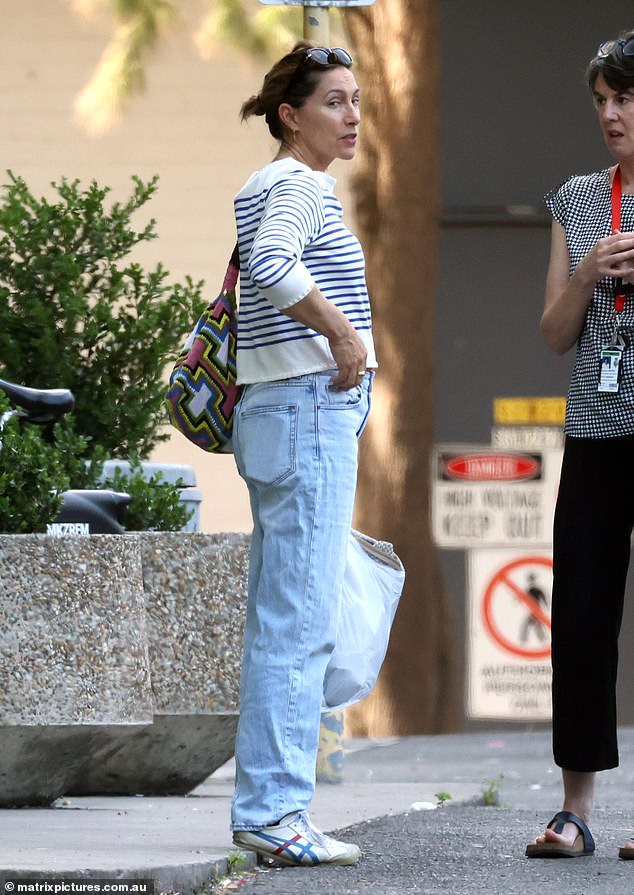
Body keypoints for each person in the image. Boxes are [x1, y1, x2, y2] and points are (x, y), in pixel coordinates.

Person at [228, 42, 377, 867]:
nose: (351, 116)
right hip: (308, 410)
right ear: (292, 115)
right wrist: (344, 331)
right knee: (299, 622)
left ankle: (271, 807)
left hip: (283, 414)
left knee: (282, 618)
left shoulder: (270, 187)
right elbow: (273, 265)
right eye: (333, 102)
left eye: (355, 101)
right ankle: (277, 813)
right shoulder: (296, 185)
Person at [526, 30, 634, 860]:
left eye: (623, 97)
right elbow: (555, 334)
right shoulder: (575, 197)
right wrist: (592, 270)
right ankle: (575, 809)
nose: (610, 114)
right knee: (583, 616)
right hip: (596, 432)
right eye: (601, 100)